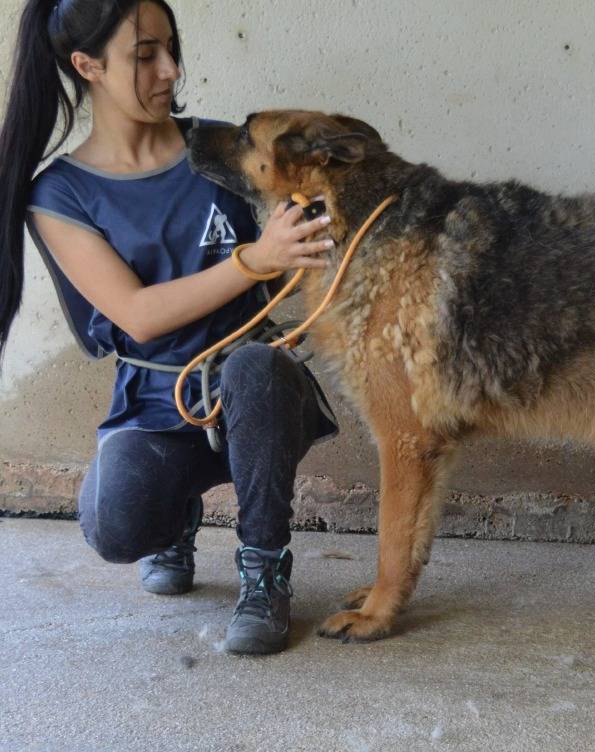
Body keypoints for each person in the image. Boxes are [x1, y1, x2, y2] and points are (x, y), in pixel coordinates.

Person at [0, 0, 340, 655]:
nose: (171, 70)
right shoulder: (59, 195)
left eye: (171, 48)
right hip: (157, 401)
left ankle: (264, 569)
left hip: (256, 389)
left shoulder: (223, 151)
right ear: (87, 65)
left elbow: (310, 233)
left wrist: (314, 216)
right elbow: (138, 314)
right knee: (114, 526)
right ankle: (172, 517)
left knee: (254, 367)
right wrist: (254, 259)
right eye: (146, 54)